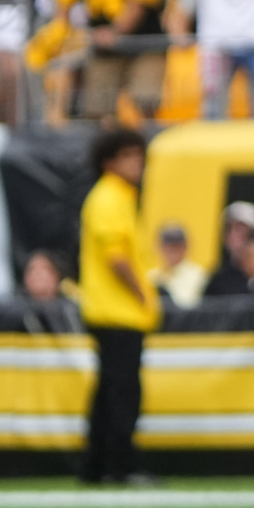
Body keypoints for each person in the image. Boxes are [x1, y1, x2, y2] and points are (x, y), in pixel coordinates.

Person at [76, 125, 160, 488]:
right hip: (117, 312)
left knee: (108, 392)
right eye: (128, 156)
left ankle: (97, 466)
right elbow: (116, 257)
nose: (137, 163)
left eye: (139, 155)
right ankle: (120, 465)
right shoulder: (110, 199)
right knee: (123, 393)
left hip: (115, 312)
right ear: (108, 162)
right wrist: (141, 293)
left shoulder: (118, 196)